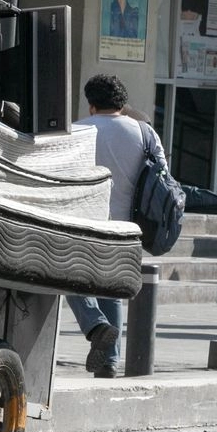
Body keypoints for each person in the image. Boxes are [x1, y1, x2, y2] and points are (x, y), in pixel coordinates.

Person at [68, 74, 167, 378]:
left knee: (71, 279)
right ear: (123, 103)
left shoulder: (78, 131)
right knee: (111, 290)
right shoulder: (145, 133)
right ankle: (109, 362)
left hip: (85, 221)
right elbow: (162, 176)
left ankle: (96, 326)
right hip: (127, 228)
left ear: (91, 104)